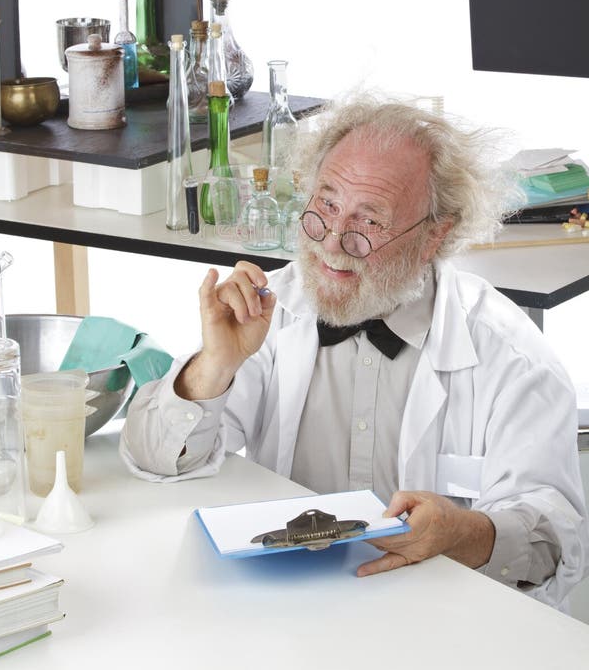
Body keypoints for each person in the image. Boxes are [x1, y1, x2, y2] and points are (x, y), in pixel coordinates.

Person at [120, 94, 588, 609]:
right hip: (290, 606)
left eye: (370, 221)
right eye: (326, 204)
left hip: (442, 624)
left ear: (436, 235)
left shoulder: (513, 360)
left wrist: (463, 534)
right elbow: (154, 459)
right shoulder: (270, 312)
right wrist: (216, 365)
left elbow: (556, 543)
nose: (334, 242)